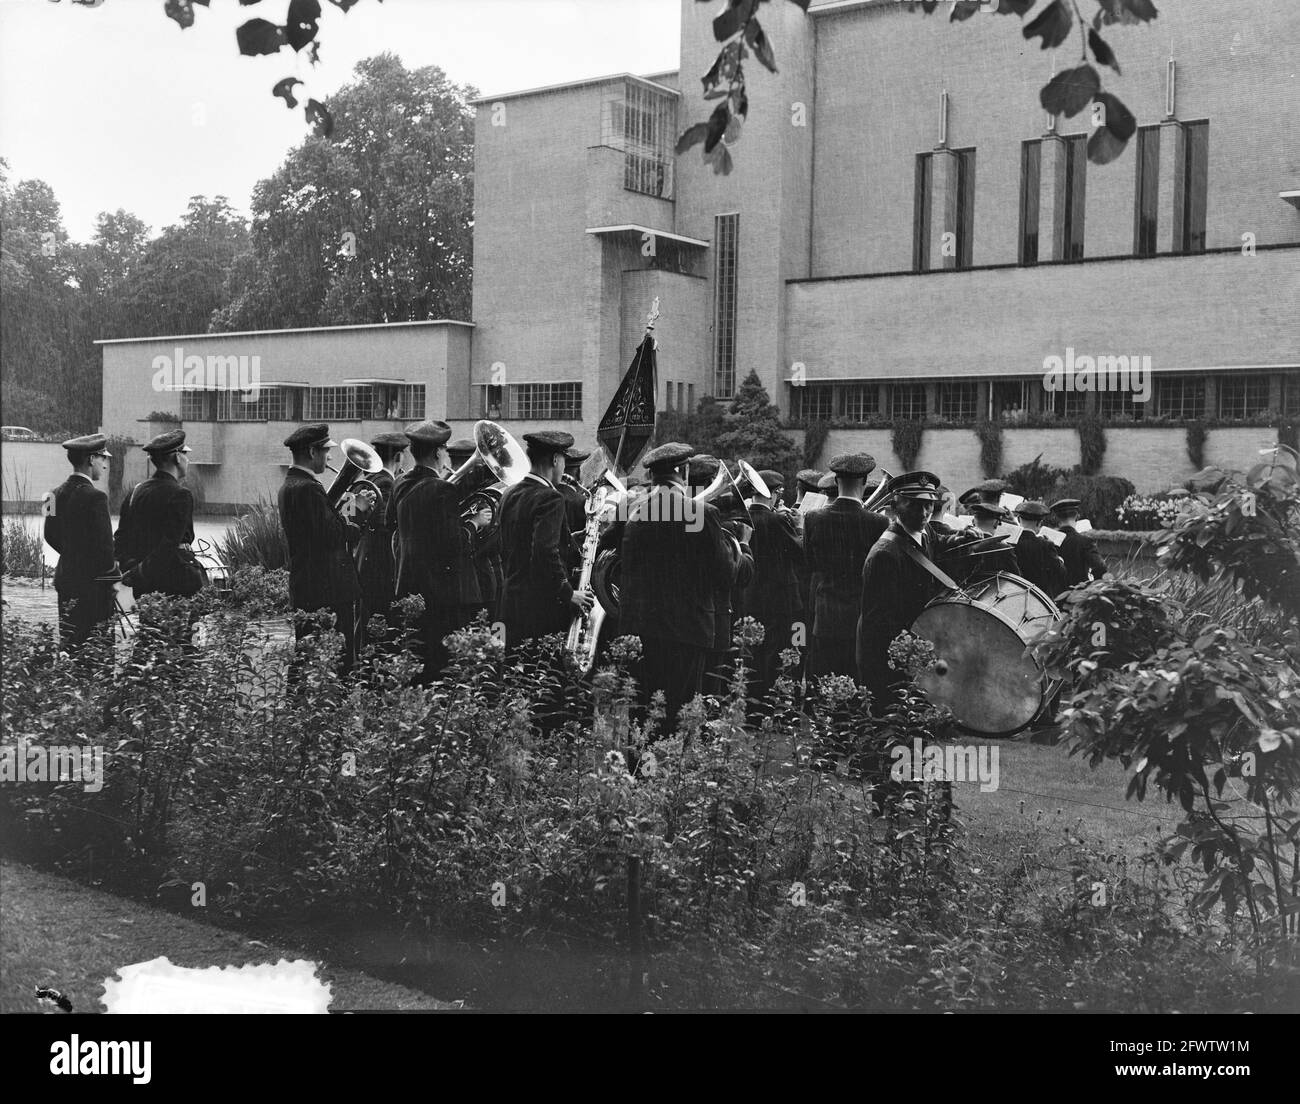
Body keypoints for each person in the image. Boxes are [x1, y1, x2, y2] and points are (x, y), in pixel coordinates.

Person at [614, 442, 733, 734]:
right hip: (687, 630)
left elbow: (606, 559)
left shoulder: (630, 510)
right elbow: (726, 576)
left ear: (653, 476)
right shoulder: (701, 513)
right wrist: (739, 545)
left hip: (639, 628)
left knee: (642, 712)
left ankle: (641, 772)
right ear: (683, 471)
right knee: (678, 713)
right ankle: (671, 776)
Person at [392, 420, 485, 682]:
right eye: (445, 449)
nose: (447, 454)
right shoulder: (443, 490)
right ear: (437, 453)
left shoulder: (401, 484)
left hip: (412, 588)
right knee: (443, 665)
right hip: (443, 595)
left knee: (420, 662)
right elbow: (453, 545)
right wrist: (473, 524)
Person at [279, 423, 370, 677]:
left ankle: (296, 708)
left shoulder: (290, 484)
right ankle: (337, 709)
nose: (329, 457)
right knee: (342, 656)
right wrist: (359, 511)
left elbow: (318, 530)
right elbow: (335, 536)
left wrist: (339, 510)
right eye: (326, 451)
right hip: (329, 587)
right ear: (311, 452)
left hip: (306, 583)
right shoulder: (309, 488)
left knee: (305, 653)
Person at [856, 473, 948, 713]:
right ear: (895, 506)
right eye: (915, 505)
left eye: (929, 504)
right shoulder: (885, 553)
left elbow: (938, 543)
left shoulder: (924, 533)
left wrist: (964, 535)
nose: (925, 512)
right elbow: (878, 622)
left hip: (913, 650)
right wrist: (909, 653)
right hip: (889, 657)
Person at [497, 430, 591, 647]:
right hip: (540, 608)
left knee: (514, 673)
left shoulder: (509, 493)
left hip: (510, 601)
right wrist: (568, 593)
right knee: (542, 676)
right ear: (556, 460)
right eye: (564, 461)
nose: (564, 468)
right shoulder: (551, 498)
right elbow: (544, 552)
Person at [804, 453, 888, 680]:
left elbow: (810, 564)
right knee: (855, 684)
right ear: (863, 483)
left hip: (825, 615)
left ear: (836, 481)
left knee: (823, 683)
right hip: (859, 618)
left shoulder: (813, 518)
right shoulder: (879, 522)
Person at [687, 456, 755, 696]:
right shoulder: (714, 522)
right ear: (710, 483)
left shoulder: (673, 515)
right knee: (709, 692)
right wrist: (745, 545)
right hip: (713, 621)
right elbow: (739, 575)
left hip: (684, 622)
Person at [43, 434, 116, 656]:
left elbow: (49, 535)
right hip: (93, 587)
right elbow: (105, 549)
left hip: (65, 580)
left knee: (70, 645)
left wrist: (73, 554)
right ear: (91, 459)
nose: (105, 464)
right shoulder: (97, 498)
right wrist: (112, 580)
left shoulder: (50, 495)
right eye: (103, 458)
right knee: (96, 652)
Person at [114, 430, 201, 600]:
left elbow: (120, 540)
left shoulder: (135, 492)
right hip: (176, 582)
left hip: (143, 586)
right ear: (177, 457)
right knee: (178, 626)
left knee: (148, 626)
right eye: (185, 454)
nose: (187, 459)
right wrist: (141, 571)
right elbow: (168, 545)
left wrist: (133, 569)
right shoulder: (180, 495)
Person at [354, 431, 406, 639]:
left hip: (365, 556)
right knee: (379, 620)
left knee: (366, 618)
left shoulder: (367, 478)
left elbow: (351, 513)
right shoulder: (385, 482)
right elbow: (385, 524)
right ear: (398, 456)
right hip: (380, 560)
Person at [1011, 500, 1068, 597]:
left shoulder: (1011, 542)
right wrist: (1060, 560)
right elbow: (1060, 572)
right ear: (1039, 523)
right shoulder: (1046, 544)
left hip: (1015, 595)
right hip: (1040, 597)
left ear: (1019, 519)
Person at [1051, 498, 1108, 586]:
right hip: (1078, 594)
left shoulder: (1049, 541)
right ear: (1077, 516)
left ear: (1056, 518)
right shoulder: (1086, 541)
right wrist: (1091, 586)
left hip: (1051, 597)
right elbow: (1100, 567)